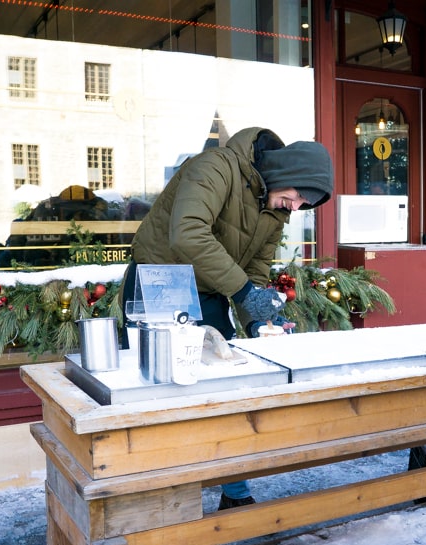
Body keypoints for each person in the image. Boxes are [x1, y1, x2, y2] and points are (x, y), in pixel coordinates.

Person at [123, 127, 333, 510]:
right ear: (284, 174)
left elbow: (254, 267)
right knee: (160, 400)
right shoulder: (216, 167)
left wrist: (255, 317)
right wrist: (244, 293)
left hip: (212, 288)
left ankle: (234, 495)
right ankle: (162, 511)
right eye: (298, 196)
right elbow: (187, 234)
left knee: (227, 386)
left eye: (306, 204)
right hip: (159, 282)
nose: (297, 207)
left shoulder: (275, 206)